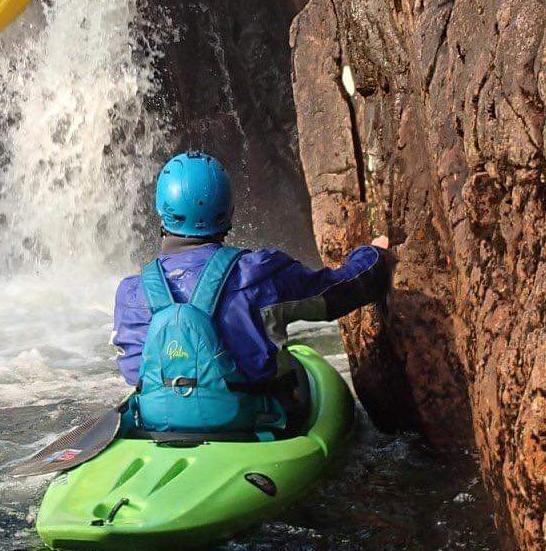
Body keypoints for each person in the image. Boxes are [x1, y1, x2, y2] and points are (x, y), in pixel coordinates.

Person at [112, 153, 390, 434]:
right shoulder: (260, 273)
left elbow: (135, 373)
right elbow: (337, 293)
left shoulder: (130, 293)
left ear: (162, 210)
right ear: (228, 210)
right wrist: (375, 256)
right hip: (249, 422)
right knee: (294, 370)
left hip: (157, 423)